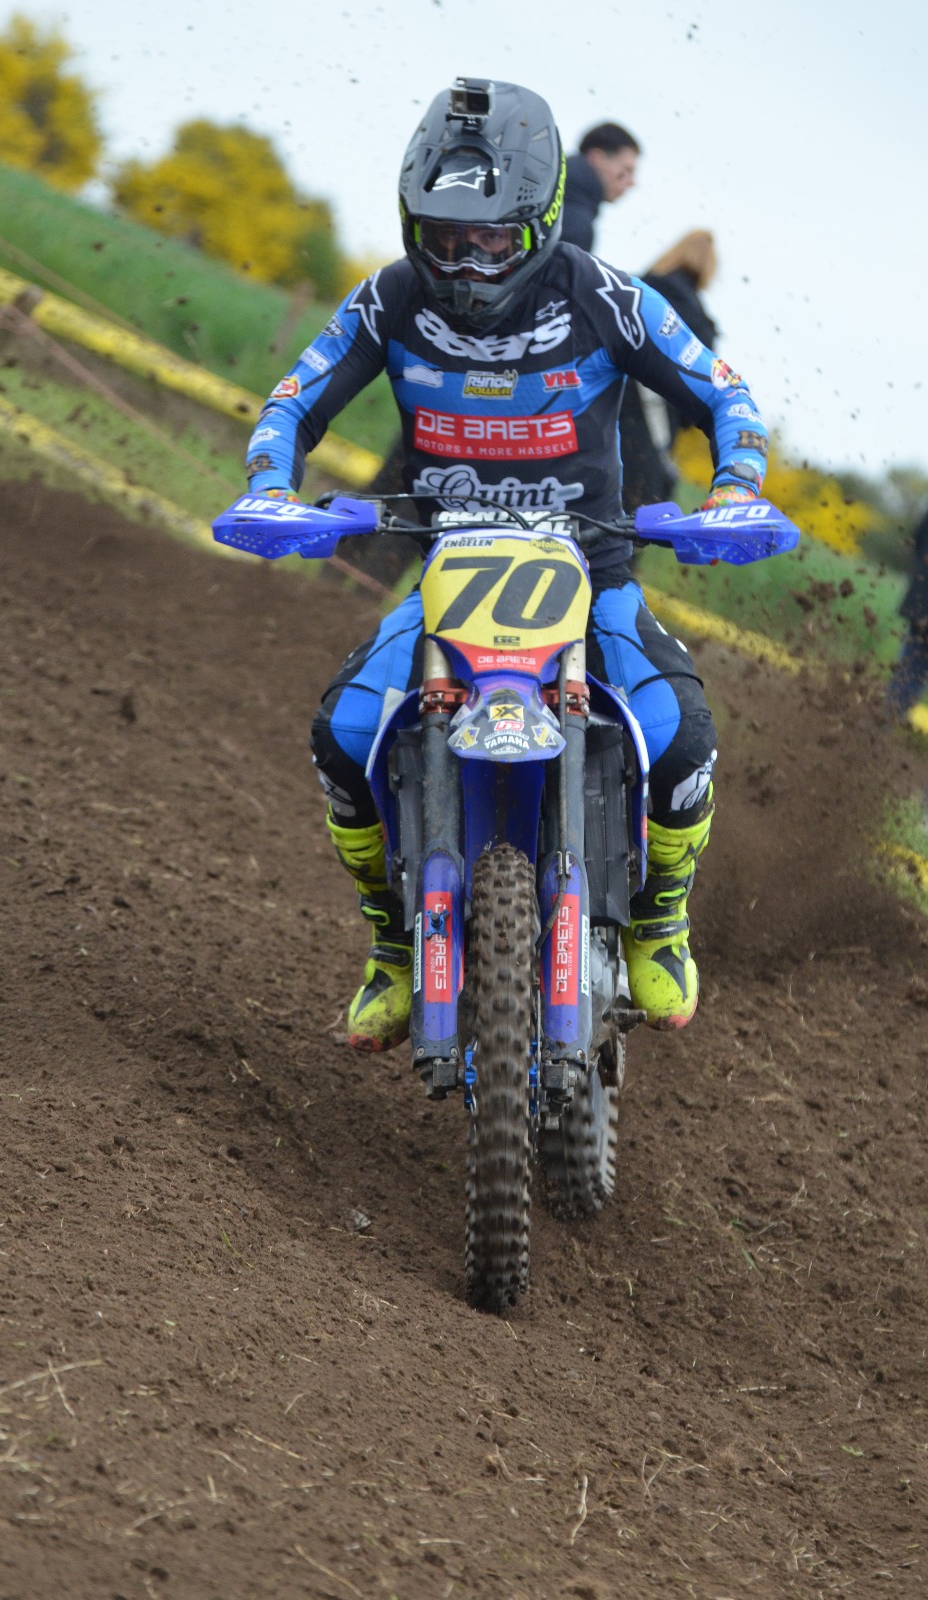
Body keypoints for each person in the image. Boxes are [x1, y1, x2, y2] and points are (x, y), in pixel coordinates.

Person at [244, 77, 768, 1050]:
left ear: (540, 216)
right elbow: (293, 399)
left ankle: (660, 921)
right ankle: (392, 948)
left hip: (593, 571)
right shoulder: (390, 296)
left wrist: (735, 487)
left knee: (682, 739)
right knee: (342, 741)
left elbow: (724, 394)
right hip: (452, 571)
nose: (464, 260)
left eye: (489, 239)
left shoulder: (607, 296)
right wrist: (270, 484)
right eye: (442, 237)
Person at [619, 229, 721, 510]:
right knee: (627, 529)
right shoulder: (700, 325)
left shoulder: (631, 292)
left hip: (595, 428)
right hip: (648, 446)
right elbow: (695, 404)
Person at [560, 120, 640, 253]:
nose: (632, 182)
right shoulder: (577, 225)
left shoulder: (547, 187)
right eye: (626, 170)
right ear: (597, 158)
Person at [887, 506, 928, 716]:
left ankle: (882, 723)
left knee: (909, 671)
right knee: (911, 672)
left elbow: (919, 539)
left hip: (923, 601)